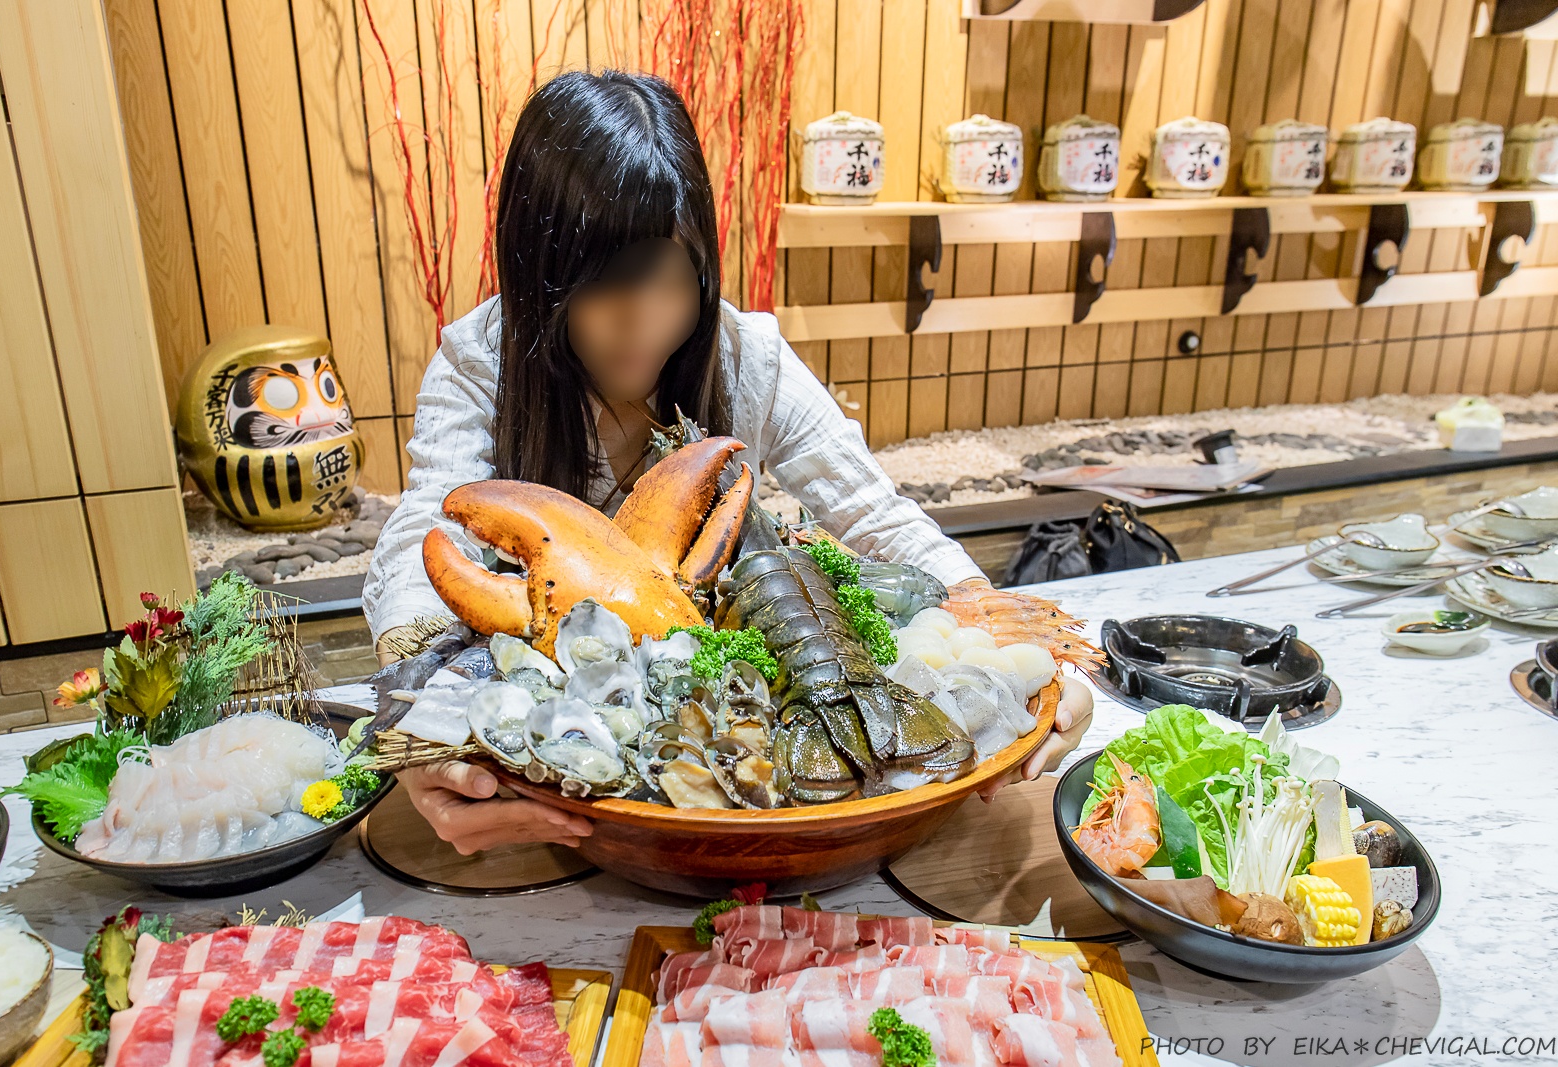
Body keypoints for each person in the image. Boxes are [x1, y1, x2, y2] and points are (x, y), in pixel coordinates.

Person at [363, 70, 1094, 857]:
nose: (645, 322)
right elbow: (421, 532)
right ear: (540, 271)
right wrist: (418, 725)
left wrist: (1028, 659)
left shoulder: (745, 358)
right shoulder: (482, 363)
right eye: (605, 286)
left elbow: (878, 516)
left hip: (741, 822)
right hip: (558, 820)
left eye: (673, 280)